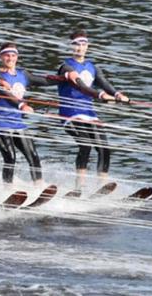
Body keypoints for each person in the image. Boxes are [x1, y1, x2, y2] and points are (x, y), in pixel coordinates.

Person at [55, 30, 128, 187]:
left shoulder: (92, 67)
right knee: (85, 144)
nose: (80, 48)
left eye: (83, 44)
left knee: (104, 148)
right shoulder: (66, 67)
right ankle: (78, 186)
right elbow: (81, 86)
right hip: (69, 114)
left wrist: (117, 95)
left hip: (89, 113)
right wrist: (101, 95)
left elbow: (104, 83)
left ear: (87, 46)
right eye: (76, 44)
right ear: (71, 47)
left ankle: (103, 186)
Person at [0, 43, 44, 186]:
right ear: (1, 57)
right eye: (7, 55)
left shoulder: (23, 75)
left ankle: (39, 187)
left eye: (13, 55)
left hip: (18, 124)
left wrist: (66, 78)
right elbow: (6, 93)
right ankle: (7, 190)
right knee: (10, 158)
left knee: (33, 156)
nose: (10, 58)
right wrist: (22, 105)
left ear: (17, 57)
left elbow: (44, 80)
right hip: (0, 125)